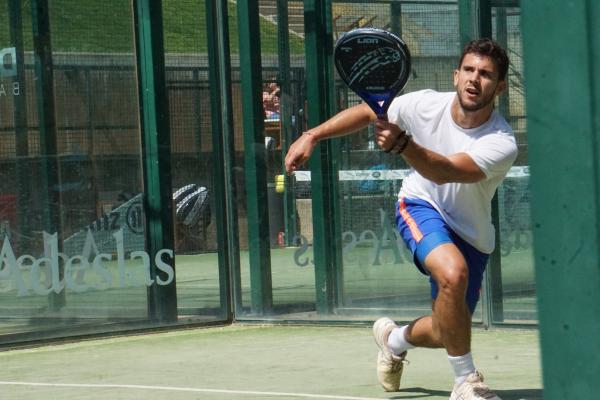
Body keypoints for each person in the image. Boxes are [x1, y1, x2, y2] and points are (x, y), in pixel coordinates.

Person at [284, 38, 517, 400]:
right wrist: (312, 134)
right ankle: (467, 382)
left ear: (499, 87)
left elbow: (446, 171)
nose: (475, 79)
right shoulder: (424, 104)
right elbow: (367, 112)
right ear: (456, 75)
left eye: (486, 74)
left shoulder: (501, 141)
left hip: (471, 233)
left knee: (447, 330)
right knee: (453, 273)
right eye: (469, 70)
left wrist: (404, 145)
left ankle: (393, 339)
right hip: (420, 204)